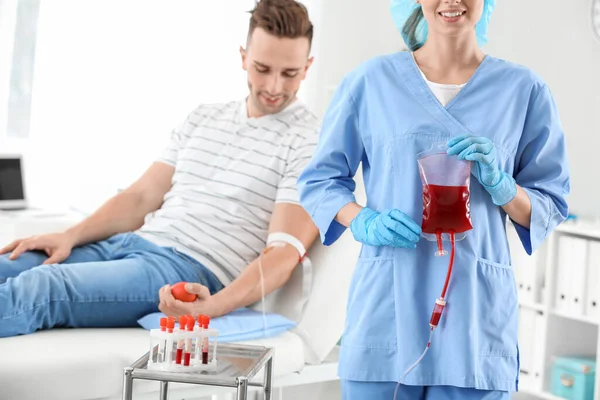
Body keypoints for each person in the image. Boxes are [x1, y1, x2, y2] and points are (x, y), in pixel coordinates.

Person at [297, 0, 570, 399]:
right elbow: (321, 180)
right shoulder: (370, 83)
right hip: (386, 315)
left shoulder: (524, 91)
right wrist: (362, 219)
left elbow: (550, 203)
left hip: (474, 326)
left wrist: (505, 188)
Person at [0, 0, 319, 338]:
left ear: (308, 67)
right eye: (262, 68)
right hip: (129, 244)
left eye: (290, 74)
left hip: (185, 267)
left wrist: (212, 306)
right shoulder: (204, 117)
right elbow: (140, 197)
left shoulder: (309, 142)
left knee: (42, 288)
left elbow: (283, 254)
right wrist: (69, 236)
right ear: (243, 57)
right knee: (10, 265)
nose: (273, 87)